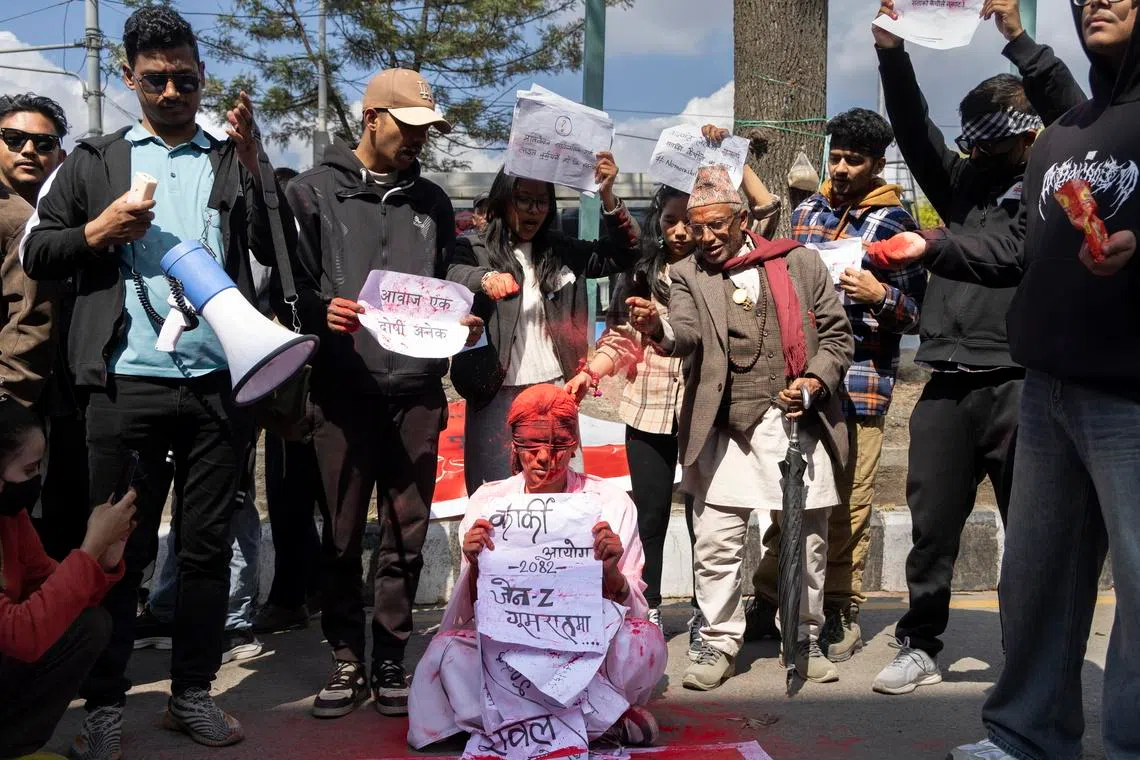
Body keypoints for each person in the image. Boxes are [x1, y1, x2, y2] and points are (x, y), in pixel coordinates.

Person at [20, 6, 295, 754]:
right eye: (155, 80)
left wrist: (260, 163)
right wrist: (97, 232)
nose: (172, 92)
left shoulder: (230, 154)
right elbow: (37, 254)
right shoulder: (96, 161)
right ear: (129, 79)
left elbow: (279, 250)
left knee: (206, 548)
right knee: (116, 551)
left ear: (203, 77)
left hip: (217, 383)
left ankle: (191, 695)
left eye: (184, 78)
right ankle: (104, 704)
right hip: (123, 384)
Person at [873, 3, 1140, 756]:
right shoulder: (1066, 137)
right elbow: (1018, 246)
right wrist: (929, 243)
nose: (1095, 2)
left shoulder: (1064, 115)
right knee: (1038, 576)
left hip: (1122, 390)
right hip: (1049, 383)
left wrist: (1020, 43)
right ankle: (1025, 734)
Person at [286, 67, 482, 721]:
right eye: (410, 128)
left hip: (420, 390)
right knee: (340, 534)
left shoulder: (432, 201)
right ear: (373, 119)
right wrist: (321, 312)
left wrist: (465, 303)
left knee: (407, 530)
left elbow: (449, 265)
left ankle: (392, 654)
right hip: (342, 392)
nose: (420, 142)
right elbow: (288, 288)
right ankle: (346, 658)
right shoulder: (313, 193)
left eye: (428, 130)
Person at [633, 165, 853, 690]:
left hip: (796, 421)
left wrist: (814, 384)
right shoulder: (687, 275)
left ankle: (803, 636)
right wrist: (658, 328)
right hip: (725, 427)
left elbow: (838, 337)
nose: (705, 238)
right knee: (716, 542)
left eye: (716, 227)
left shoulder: (799, 263)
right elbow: (684, 331)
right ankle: (717, 642)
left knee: (808, 544)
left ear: (742, 218)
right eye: (697, 226)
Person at [568, 124, 782, 652]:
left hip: (703, 413)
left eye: (690, 221)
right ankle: (650, 607)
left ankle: (709, 614)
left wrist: (727, 155)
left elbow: (765, 209)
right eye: (670, 221)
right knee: (651, 517)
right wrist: (590, 371)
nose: (682, 231)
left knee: (707, 519)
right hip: (646, 411)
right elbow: (619, 337)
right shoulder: (643, 273)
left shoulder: (723, 266)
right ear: (659, 227)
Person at [748, 108, 924, 664]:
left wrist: (883, 297)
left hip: (862, 385)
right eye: (838, 157)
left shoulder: (898, 223)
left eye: (855, 160)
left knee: (848, 501)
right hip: (799, 386)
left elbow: (921, 314)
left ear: (877, 164)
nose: (842, 168)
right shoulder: (807, 216)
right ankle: (772, 597)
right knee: (787, 495)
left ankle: (842, 606)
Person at [407, 383, 667, 749]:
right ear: (514, 446)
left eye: (559, 446)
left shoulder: (609, 501)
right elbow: (467, 616)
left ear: (574, 445)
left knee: (645, 641)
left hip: (585, 649)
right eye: (532, 446)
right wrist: (474, 563)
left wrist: (611, 572)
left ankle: (510, 721)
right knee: (445, 650)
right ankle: (596, 721)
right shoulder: (490, 500)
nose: (545, 457)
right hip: (509, 649)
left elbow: (635, 609)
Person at [448, 157, 640, 494]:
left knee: (560, 494)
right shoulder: (474, 249)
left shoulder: (561, 250)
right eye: (523, 200)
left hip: (555, 392)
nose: (533, 210)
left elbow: (627, 253)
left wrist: (609, 196)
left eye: (542, 202)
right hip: (493, 396)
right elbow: (453, 273)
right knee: (496, 496)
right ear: (502, 201)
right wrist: (486, 279)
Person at [0, 396, 136, 759]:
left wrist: (103, 563)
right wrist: (88, 549)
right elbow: (21, 636)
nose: (36, 480)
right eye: (28, 470)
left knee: (87, 624)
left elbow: (49, 584)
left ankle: (12, 747)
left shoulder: (10, 518)